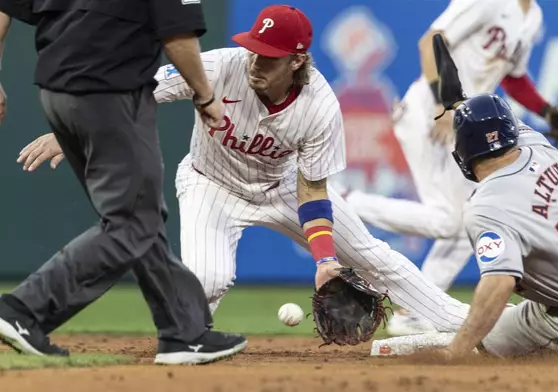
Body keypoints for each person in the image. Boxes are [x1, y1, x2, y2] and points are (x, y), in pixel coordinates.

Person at [18, 4, 473, 340]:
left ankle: (471, 325)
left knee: (373, 257)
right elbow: (138, 89)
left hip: (282, 188)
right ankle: (190, 344)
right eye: (255, 49)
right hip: (209, 183)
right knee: (207, 279)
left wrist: (324, 260)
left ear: (297, 61)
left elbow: (312, 188)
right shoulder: (221, 66)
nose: (256, 61)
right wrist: (71, 133)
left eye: (269, 57)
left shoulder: (320, 107)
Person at [0, 0, 247, 365]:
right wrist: (205, 95)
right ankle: (23, 310)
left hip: (56, 89)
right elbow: (178, 36)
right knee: (131, 222)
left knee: (139, 216)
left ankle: (184, 331)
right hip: (110, 91)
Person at [369, 36, 558, 357]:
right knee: (525, 310)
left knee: (479, 348)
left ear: (463, 155)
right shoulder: (538, 145)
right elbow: (493, 126)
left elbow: (499, 284)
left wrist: (457, 350)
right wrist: (459, 102)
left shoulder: (488, 207)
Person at [339, 0, 558, 337]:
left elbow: (512, 78)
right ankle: (344, 201)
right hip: (433, 114)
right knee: (452, 222)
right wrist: (444, 104)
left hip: (465, 124)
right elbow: (431, 41)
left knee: (466, 222)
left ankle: (414, 310)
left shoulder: (532, 16)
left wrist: (546, 110)